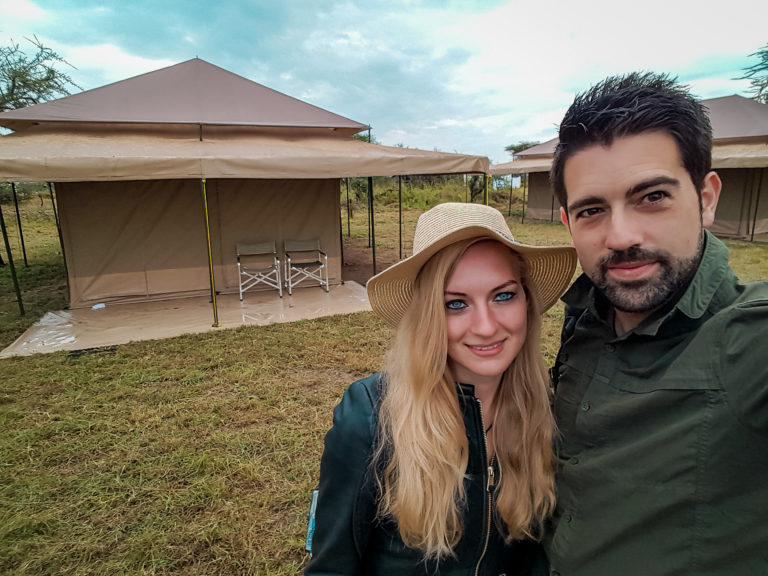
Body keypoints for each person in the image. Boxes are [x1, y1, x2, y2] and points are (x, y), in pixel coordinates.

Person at [546, 71, 768, 576]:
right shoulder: (586, 321)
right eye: (592, 210)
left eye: (652, 197)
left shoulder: (751, 341)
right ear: (568, 223)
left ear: (706, 198)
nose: (621, 236)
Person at [305, 202, 576, 575]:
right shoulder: (368, 418)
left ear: (527, 301)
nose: (485, 326)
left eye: (503, 295)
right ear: (428, 316)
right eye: (455, 304)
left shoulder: (546, 408)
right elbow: (330, 567)